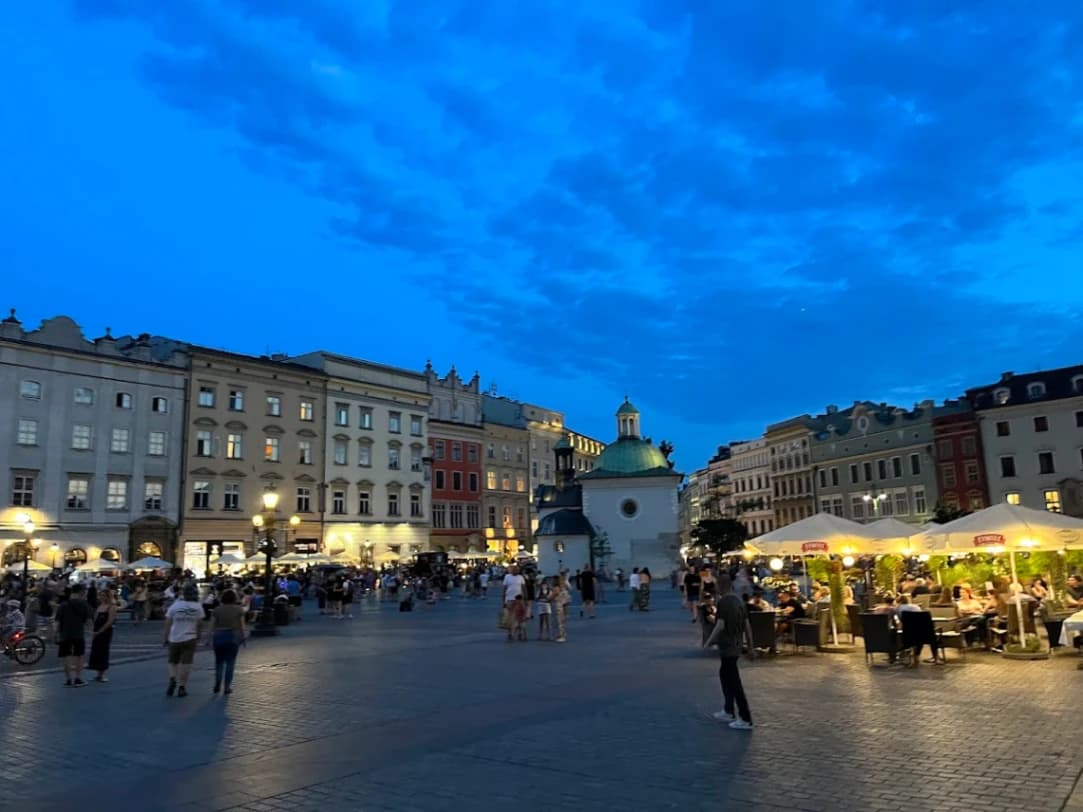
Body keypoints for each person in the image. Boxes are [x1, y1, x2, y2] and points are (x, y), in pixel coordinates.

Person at [705, 574, 754, 730]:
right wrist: (751, 647)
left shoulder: (723, 602)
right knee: (725, 676)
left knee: (733, 681)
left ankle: (745, 717)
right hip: (737, 645)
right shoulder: (739, 601)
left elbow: (720, 625)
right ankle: (728, 709)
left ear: (719, 585)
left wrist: (709, 641)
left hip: (727, 645)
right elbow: (747, 626)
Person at [163, 584, 204, 697]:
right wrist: (199, 636)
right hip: (190, 637)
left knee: (172, 662)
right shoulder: (197, 607)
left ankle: (172, 678)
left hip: (174, 637)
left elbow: (167, 623)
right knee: (186, 664)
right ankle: (182, 686)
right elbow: (200, 624)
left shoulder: (175, 606)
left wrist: (165, 637)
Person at [209, 589, 246, 695]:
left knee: (219, 662)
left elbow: (211, 626)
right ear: (234, 598)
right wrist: (243, 638)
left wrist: (208, 639)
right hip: (233, 636)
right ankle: (227, 687)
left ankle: (217, 683)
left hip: (219, 636)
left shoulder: (217, 610)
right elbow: (242, 625)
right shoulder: (239, 610)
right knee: (230, 663)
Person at [56, 583, 92, 687]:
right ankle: (78, 678)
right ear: (81, 591)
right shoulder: (84, 604)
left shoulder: (63, 604)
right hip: (78, 634)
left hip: (64, 634)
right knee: (79, 656)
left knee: (66, 656)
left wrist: (56, 633)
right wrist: (91, 631)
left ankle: (68, 680)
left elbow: (57, 621)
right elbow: (89, 620)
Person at [88, 588, 117, 683]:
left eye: (104, 595)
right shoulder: (100, 606)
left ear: (108, 596)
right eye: (100, 595)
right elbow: (95, 619)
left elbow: (110, 621)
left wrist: (100, 631)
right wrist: (93, 629)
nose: (101, 597)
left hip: (105, 632)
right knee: (96, 651)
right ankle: (98, 673)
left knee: (103, 651)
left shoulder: (112, 607)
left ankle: (102, 673)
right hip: (97, 630)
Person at [550, 577, 567, 643]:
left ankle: (561, 636)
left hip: (557, 605)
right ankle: (559, 634)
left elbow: (552, 596)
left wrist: (548, 598)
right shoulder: (561, 589)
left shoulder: (556, 588)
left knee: (559, 621)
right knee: (558, 621)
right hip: (558, 605)